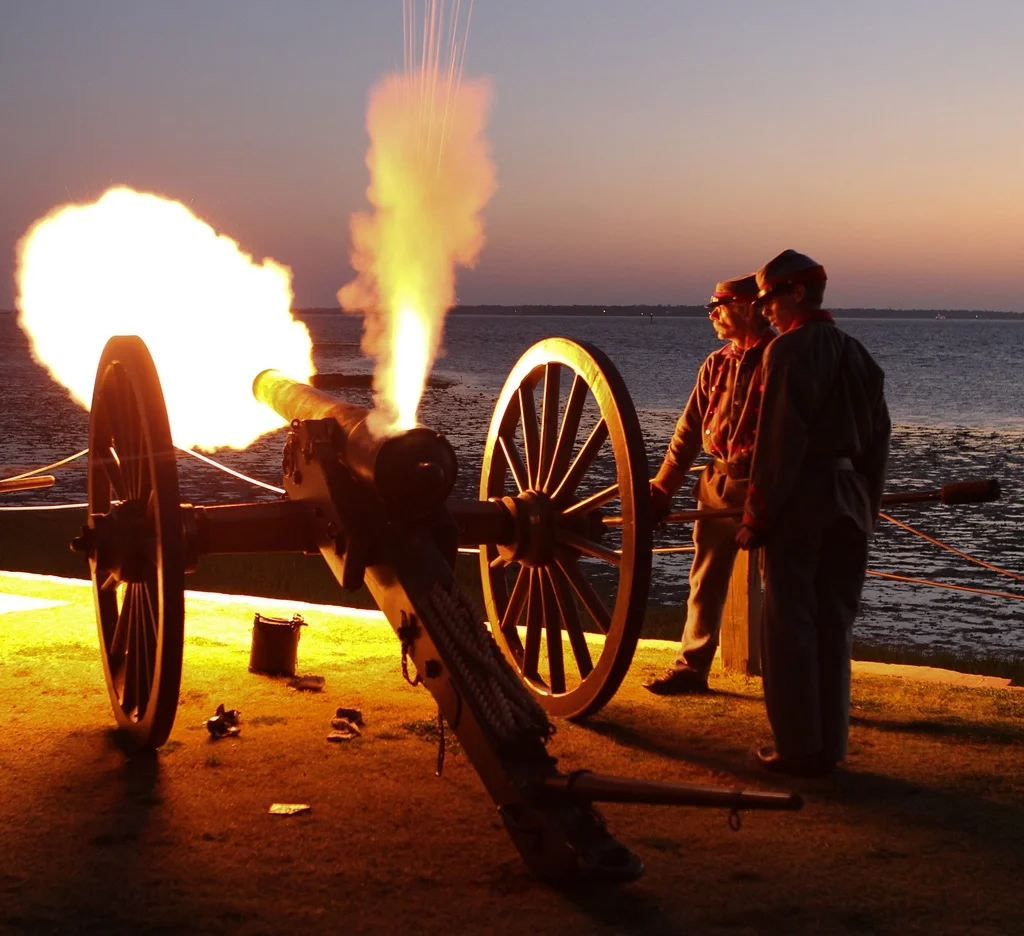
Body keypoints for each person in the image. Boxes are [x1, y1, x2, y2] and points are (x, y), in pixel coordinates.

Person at [735, 249, 891, 777]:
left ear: (796, 293)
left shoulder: (786, 353)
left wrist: (756, 518)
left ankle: (798, 747)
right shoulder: (861, 357)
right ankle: (832, 746)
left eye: (771, 299)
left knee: (790, 625)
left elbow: (778, 446)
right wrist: (867, 504)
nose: (765, 312)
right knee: (835, 623)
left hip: (800, 502)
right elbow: (877, 448)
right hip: (850, 502)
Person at [644, 273, 774, 695]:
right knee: (705, 581)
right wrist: (663, 487)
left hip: (771, 481)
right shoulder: (715, 364)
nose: (713, 314)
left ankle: (783, 673)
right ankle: (692, 665)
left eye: (720, 304)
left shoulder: (780, 359)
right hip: (719, 480)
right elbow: (687, 432)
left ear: (748, 308)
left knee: (778, 585)